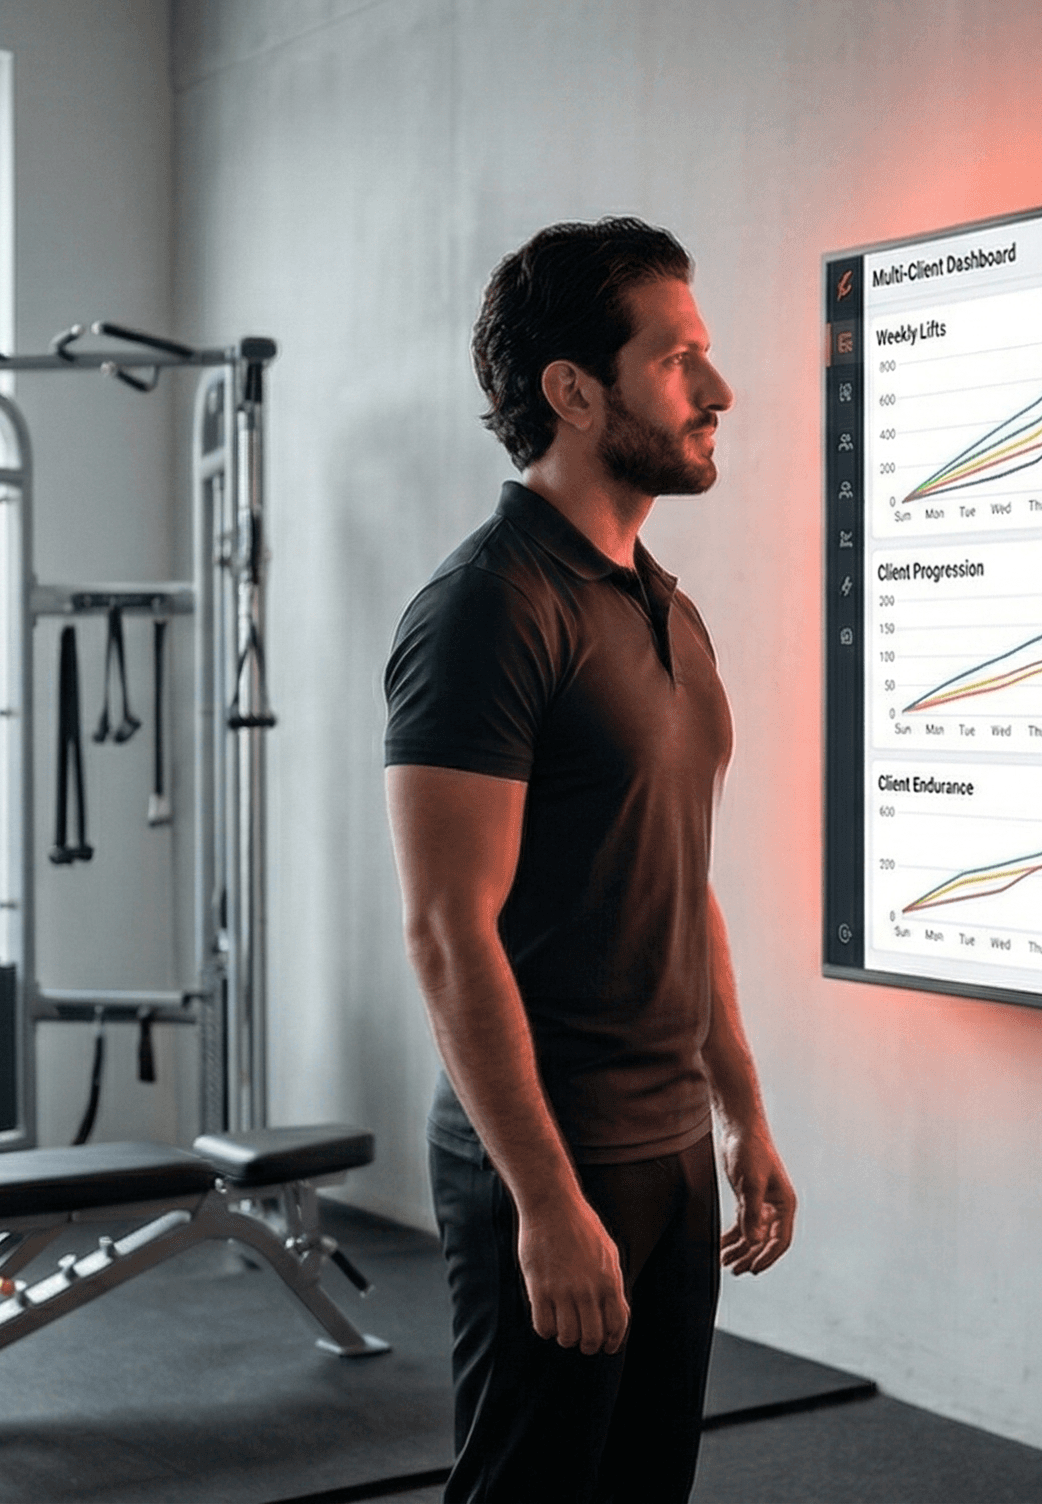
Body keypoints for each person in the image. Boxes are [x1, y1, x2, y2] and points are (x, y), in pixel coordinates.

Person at [384, 217, 797, 1503]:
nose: (717, 390)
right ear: (574, 390)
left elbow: (679, 880)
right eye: (677, 361)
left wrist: (741, 1107)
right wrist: (545, 1203)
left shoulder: (667, 607)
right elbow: (450, 931)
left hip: (669, 1143)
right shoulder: (487, 610)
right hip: (554, 1152)